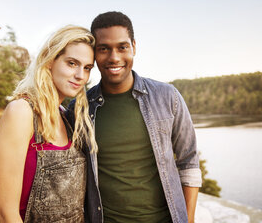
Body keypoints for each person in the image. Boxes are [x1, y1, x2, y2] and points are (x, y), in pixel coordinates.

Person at [67, 12, 202, 223]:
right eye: (104, 49)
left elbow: (189, 162)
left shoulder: (167, 97)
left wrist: (189, 219)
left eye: (122, 47)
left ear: (134, 47)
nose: (114, 57)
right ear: (94, 53)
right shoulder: (79, 109)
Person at [0, 25, 98, 223]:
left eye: (87, 68)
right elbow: (5, 212)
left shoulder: (66, 118)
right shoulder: (22, 112)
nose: (80, 76)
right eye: (71, 63)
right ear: (50, 60)